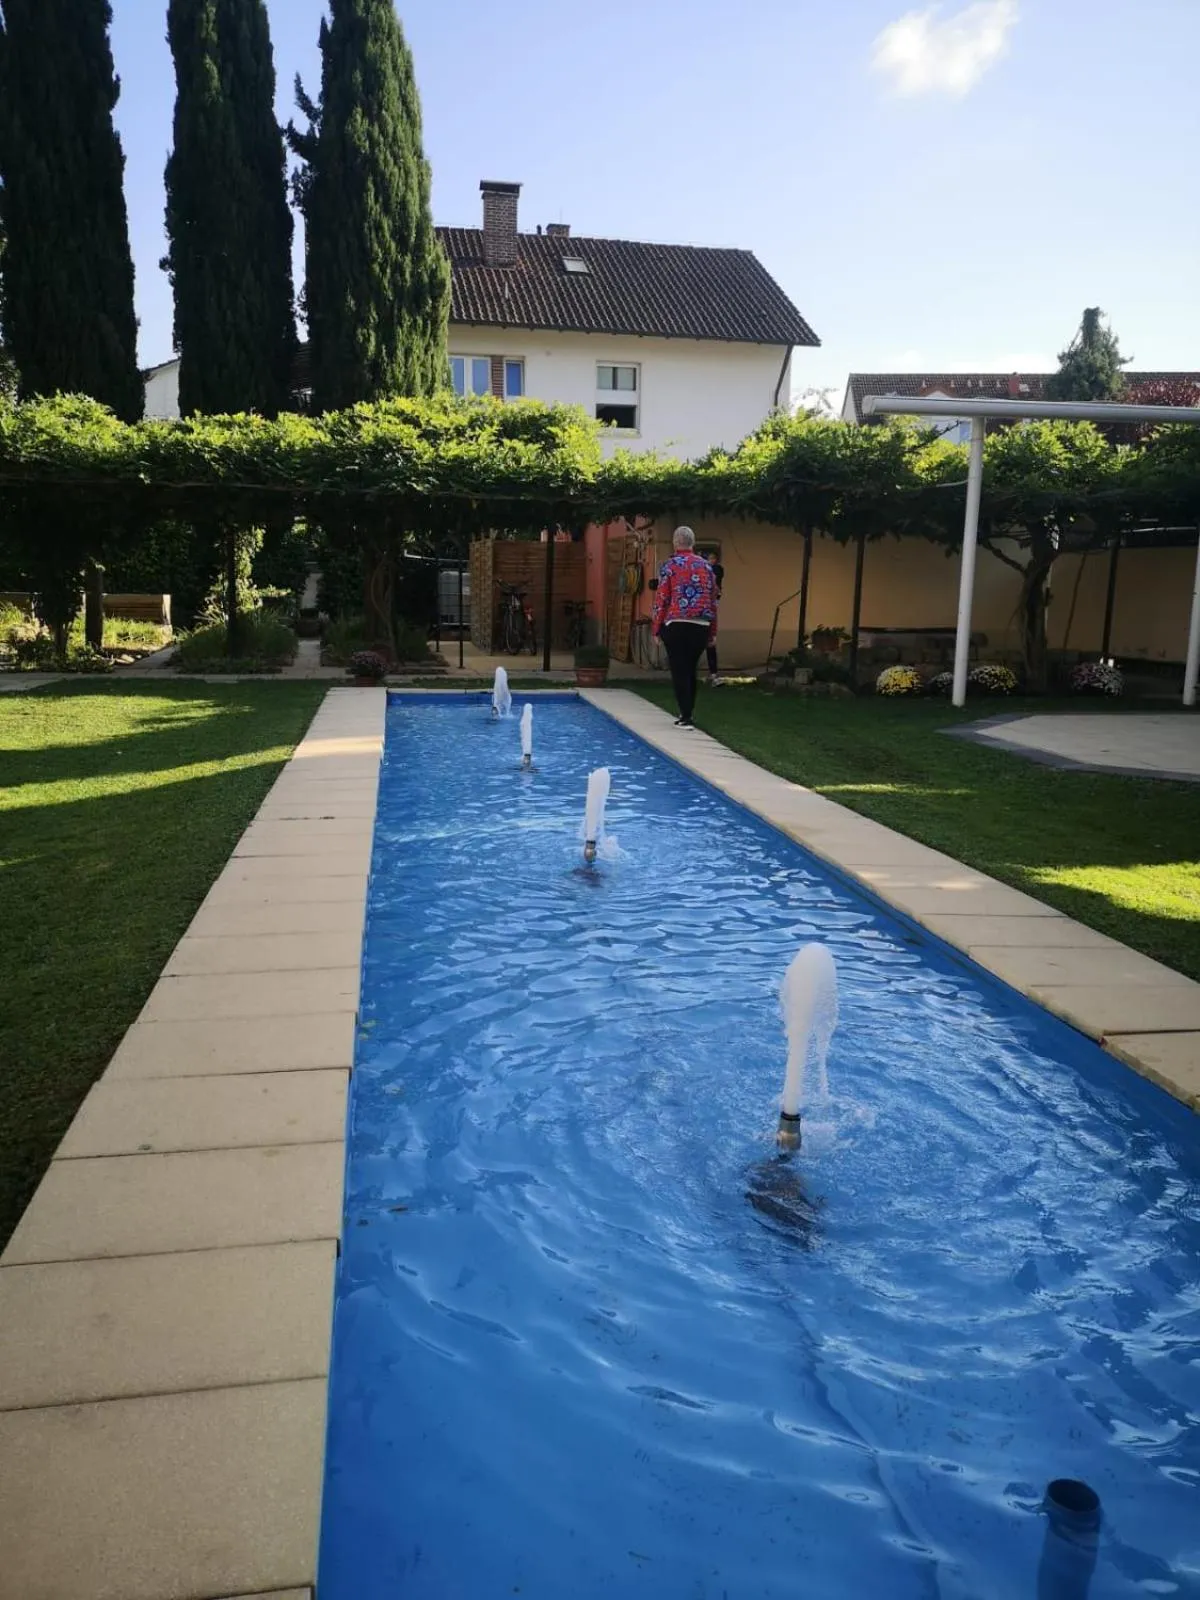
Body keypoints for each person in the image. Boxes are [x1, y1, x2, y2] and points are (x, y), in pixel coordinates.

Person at [652, 526, 718, 727]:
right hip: (700, 624)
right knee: (690, 669)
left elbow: (662, 598)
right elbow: (713, 600)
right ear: (693, 543)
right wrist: (712, 630)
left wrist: (656, 628)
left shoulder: (670, 566)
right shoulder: (707, 567)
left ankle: (685, 714)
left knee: (679, 669)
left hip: (676, 623)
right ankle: (688, 712)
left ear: (675, 543)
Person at [706, 559, 725, 685]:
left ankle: (713, 675)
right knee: (710, 646)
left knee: (710, 646)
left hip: (706, 618)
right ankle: (713, 675)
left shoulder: (714, 589)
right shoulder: (716, 589)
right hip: (707, 618)